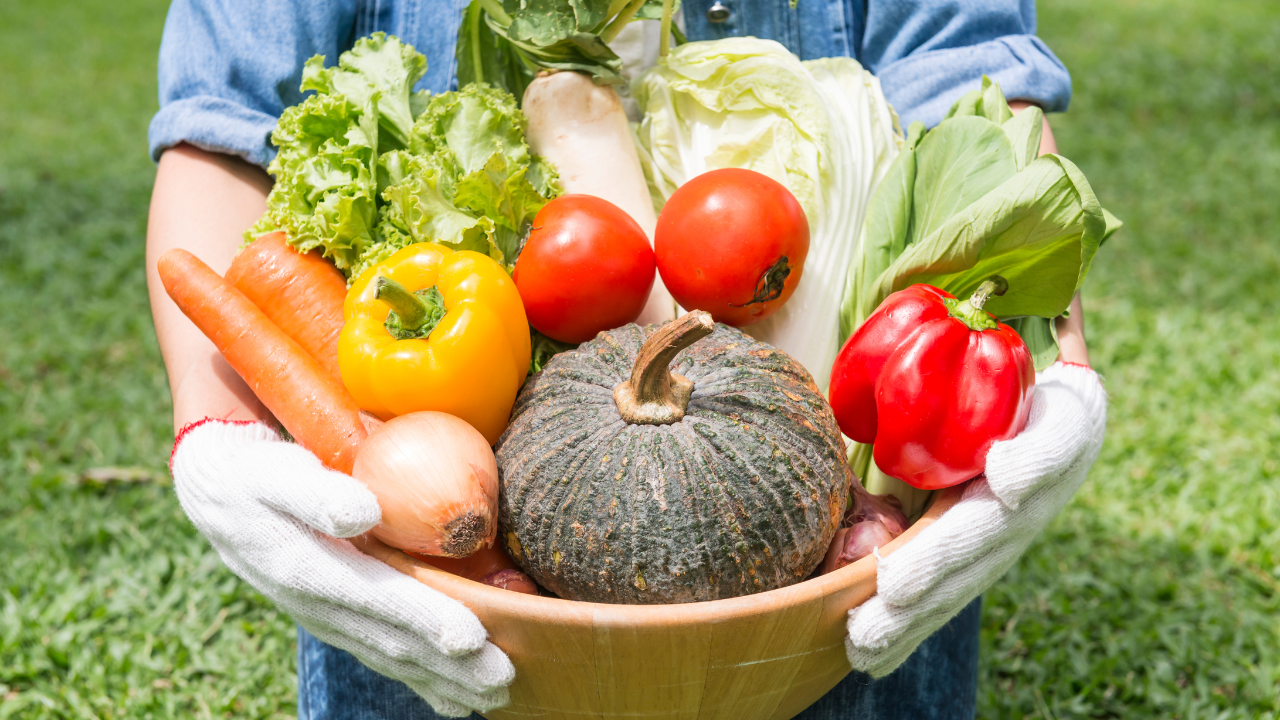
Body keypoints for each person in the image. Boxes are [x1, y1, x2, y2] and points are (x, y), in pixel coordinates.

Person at [147, 1, 1100, 718]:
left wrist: (1051, 370)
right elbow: (223, 129)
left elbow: (969, 82)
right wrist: (213, 416)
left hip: (848, 619)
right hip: (428, 615)